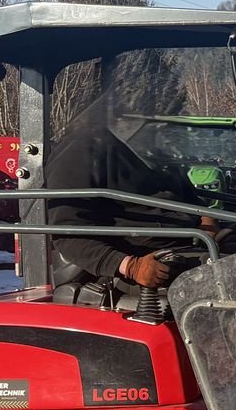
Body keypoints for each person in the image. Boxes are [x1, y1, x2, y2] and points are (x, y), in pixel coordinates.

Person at [47, 121, 215, 290]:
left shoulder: (153, 148)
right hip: (144, 258)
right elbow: (69, 232)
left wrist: (207, 219)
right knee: (230, 279)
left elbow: (190, 198)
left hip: (192, 242)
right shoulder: (80, 150)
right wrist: (130, 266)